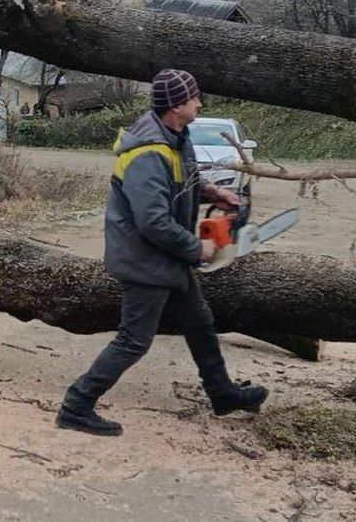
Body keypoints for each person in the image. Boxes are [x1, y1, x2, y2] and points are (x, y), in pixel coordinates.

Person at [56, 69, 269, 437]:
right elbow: (152, 220)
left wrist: (213, 192)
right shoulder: (147, 153)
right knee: (133, 341)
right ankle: (76, 404)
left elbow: (180, 182)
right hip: (145, 260)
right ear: (176, 105)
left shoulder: (175, 137)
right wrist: (196, 247)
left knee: (201, 325)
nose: (199, 103)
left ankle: (223, 394)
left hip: (167, 259)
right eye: (193, 98)